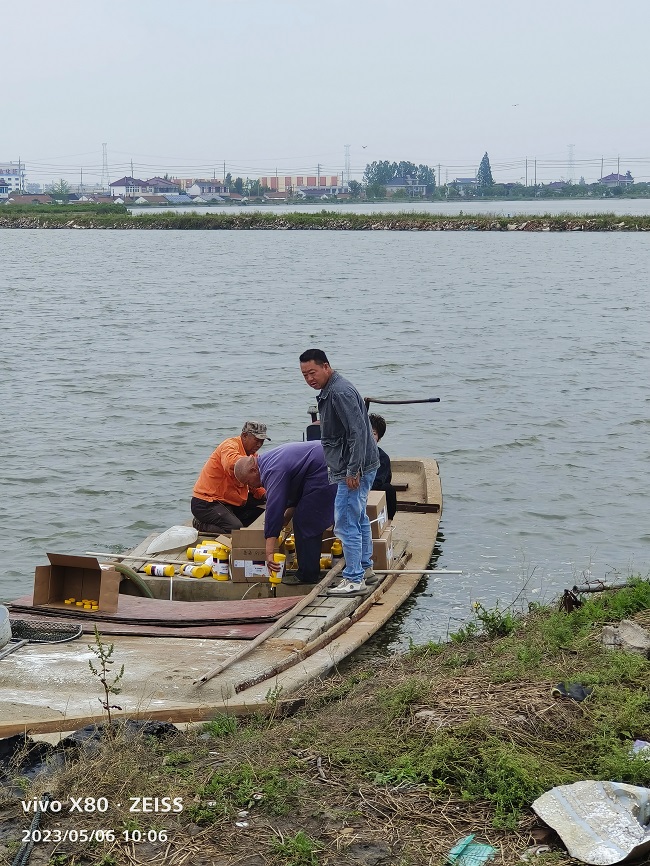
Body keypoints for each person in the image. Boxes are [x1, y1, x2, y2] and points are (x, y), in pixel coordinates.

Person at [299, 349, 380, 596]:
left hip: (352, 469)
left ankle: (354, 579)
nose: (309, 378)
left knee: (345, 523)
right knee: (358, 518)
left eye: (313, 372)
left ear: (326, 366)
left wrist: (353, 470)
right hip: (359, 464)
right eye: (304, 375)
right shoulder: (332, 389)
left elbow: (358, 432)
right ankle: (365, 569)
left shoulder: (339, 392)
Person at [234, 441, 336, 584]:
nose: (250, 487)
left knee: (305, 521)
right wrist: (287, 516)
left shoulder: (272, 470)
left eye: (247, 482)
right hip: (325, 461)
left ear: (253, 471)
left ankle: (308, 575)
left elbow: (274, 507)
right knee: (304, 515)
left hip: (326, 468)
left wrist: (269, 552)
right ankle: (311, 569)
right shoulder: (267, 461)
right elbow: (297, 488)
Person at [191, 421, 270, 534]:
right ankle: (200, 524)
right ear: (244, 436)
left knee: (262, 511)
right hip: (207, 503)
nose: (259, 445)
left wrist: (267, 494)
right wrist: (253, 463)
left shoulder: (252, 456)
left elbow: (254, 484)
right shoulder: (230, 446)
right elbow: (230, 463)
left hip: (230, 502)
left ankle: (231, 518)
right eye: (256, 440)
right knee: (235, 529)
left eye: (262, 441)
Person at [369, 413, 397, 520]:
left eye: (374, 434)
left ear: (379, 438)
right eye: (368, 432)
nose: (370, 437)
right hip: (355, 489)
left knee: (388, 489)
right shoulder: (354, 453)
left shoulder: (383, 457)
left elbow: (378, 481)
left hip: (373, 493)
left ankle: (388, 521)